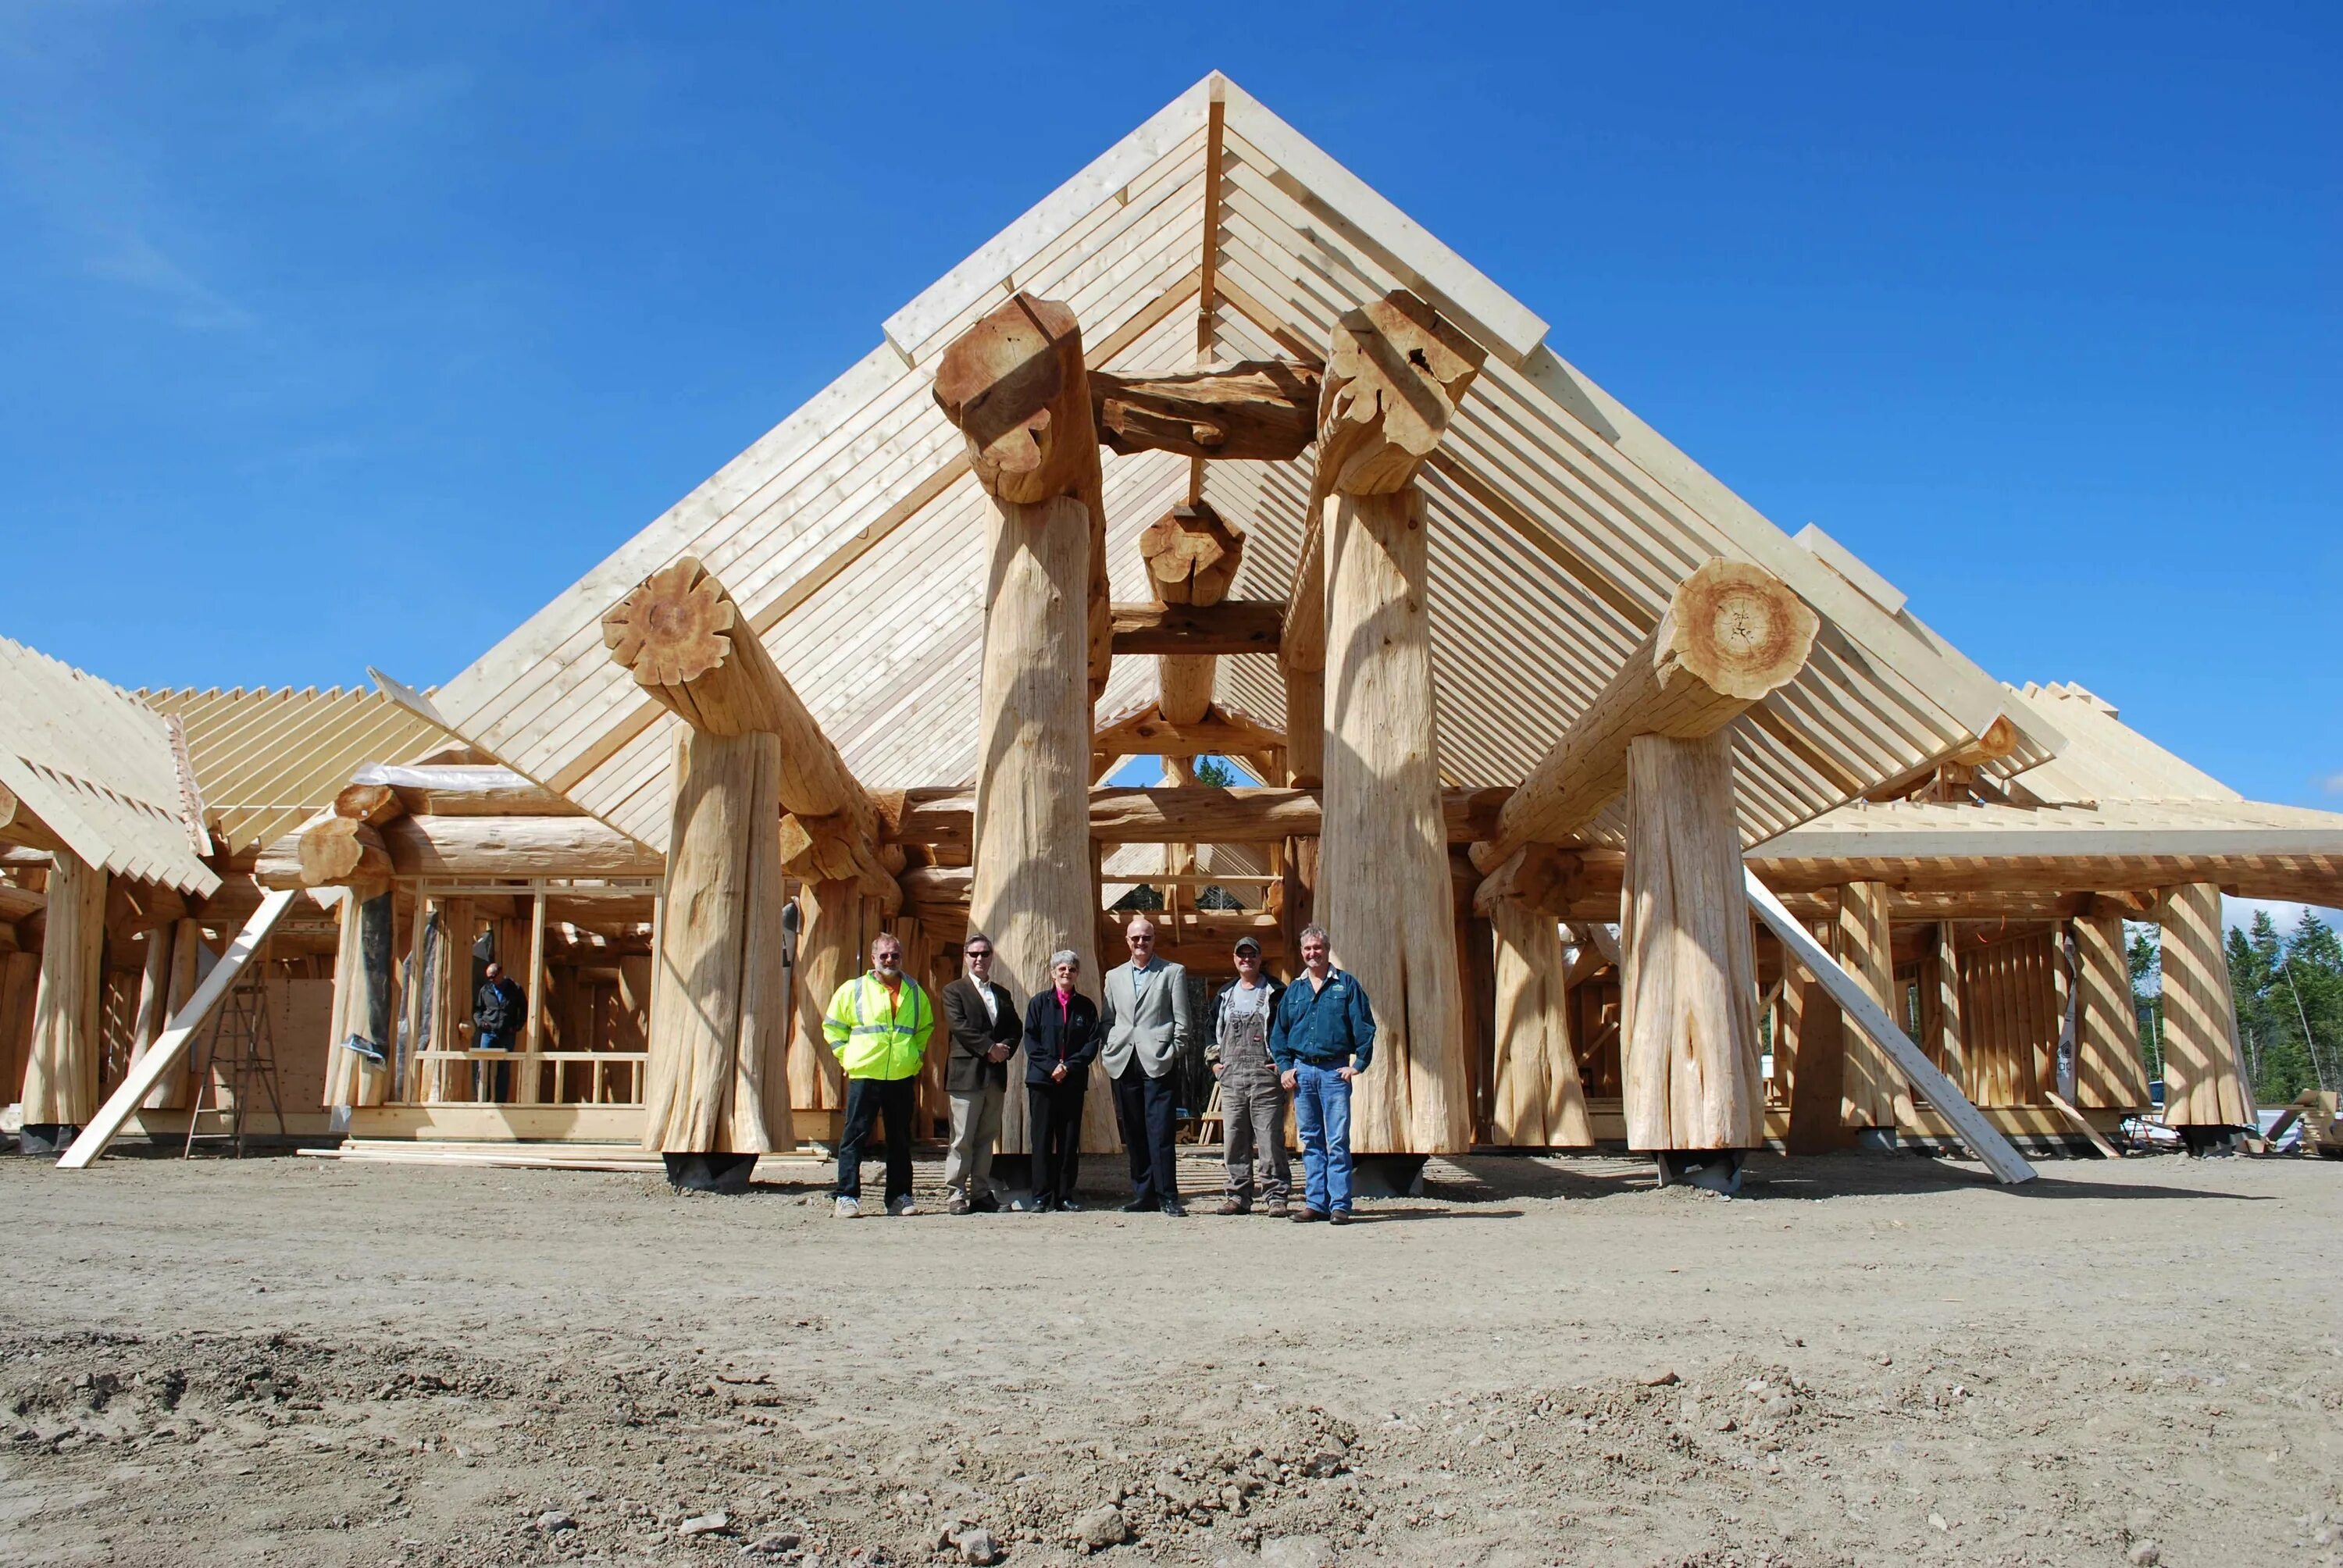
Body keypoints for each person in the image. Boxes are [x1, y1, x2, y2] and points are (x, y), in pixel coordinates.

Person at [1268, 924, 1375, 1225]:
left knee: (1337, 1140)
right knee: (1311, 1139)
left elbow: (1365, 1027)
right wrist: (1286, 1066)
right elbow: (1279, 1034)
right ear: (1302, 953)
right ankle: (1316, 1203)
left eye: (1317, 947)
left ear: (1327, 950)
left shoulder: (1346, 985)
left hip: (1333, 1072)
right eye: (1307, 949)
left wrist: (1358, 1064)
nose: (1312, 953)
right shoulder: (1295, 990)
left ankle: (1340, 1204)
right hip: (1303, 1072)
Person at [822, 933, 934, 1219]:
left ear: (901, 957)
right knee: (854, 1136)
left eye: (895, 955)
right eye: (884, 955)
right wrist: (845, 1056)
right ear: (873, 958)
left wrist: (915, 1057)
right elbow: (833, 1027)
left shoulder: (915, 991)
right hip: (865, 1073)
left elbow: (925, 1029)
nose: (889, 960)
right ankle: (847, 1195)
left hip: (900, 1074)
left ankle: (898, 1197)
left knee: (900, 1138)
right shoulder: (853, 989)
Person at [1100, 914, 1192, 1217]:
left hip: (1158, 1060)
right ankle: (1143, 1194)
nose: (1141, 943)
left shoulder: (1172, 972)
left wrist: (1172, 1052)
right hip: (1125, 1061)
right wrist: (1109, 1046)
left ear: (1154, 940)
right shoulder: (1114, 976)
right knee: (1135, 1131)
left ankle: (1167, 1195)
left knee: (1161, 1131)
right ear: (1127, 941)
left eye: (1146, 938)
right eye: (1135, 938)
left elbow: (1182, 1021)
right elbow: (1108, 1019)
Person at [1207, 935, 1289, 1217]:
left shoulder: (1277, 992)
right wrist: (1214, 1064)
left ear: (1259, 958)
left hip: (1265, 1074)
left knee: (1269, 1138)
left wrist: (1282, 1062)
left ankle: (1276, 1196)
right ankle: (1237, 1196)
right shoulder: (1224, 994)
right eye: (1241, 955)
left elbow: (1290, 1027)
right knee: (1234, 1138)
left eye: (1252, 955)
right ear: (1234, 958)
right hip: (1231, 1075)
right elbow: (1210, 1031)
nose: (1246, 959)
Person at [939, 932, 1019, 1215]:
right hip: (966, 1074)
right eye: (974, 954)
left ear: (991, 957)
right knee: (962, 1138)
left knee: (987, 1137)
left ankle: (982, 1193)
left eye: (984, 954)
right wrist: (989, 1048)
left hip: (995, 1076)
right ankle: (956, 1194)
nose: (979, 959)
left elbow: (1014, 1028)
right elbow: (959, 1027)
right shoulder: (953, 991)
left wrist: (1005, 1049)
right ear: (966, 957)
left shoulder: (1002, 993)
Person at [1020, 950, 1099, 1212]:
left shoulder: (1086, 1006)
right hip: (1042, 1082)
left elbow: (1091, 1043)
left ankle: (1065, 1195)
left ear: (1077, 974)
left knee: (1068, 1140)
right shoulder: (1038, 1003)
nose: (1067, 973)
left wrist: (1069, 1067)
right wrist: (1052, 1066)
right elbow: (1031, 1041)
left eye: (1072, 969)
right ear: (1052, 973)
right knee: (1041, 1138)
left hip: (1072, 1082)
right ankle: (1041, 1196)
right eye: (1062, 969)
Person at [472, 960, 527, 1103]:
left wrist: (516, 1026)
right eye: (489, 977)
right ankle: (482, 1099)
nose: (492, 980)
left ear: (501, 973)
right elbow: (478, 1010)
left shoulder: (514, 988)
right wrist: (480, 1023)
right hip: (488, 1032)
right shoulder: (486, 990)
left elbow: (524, 1009)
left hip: (507, 1033)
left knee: (504, 1068)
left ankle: (500, 1102)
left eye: (494, 976)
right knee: (483, 1066)